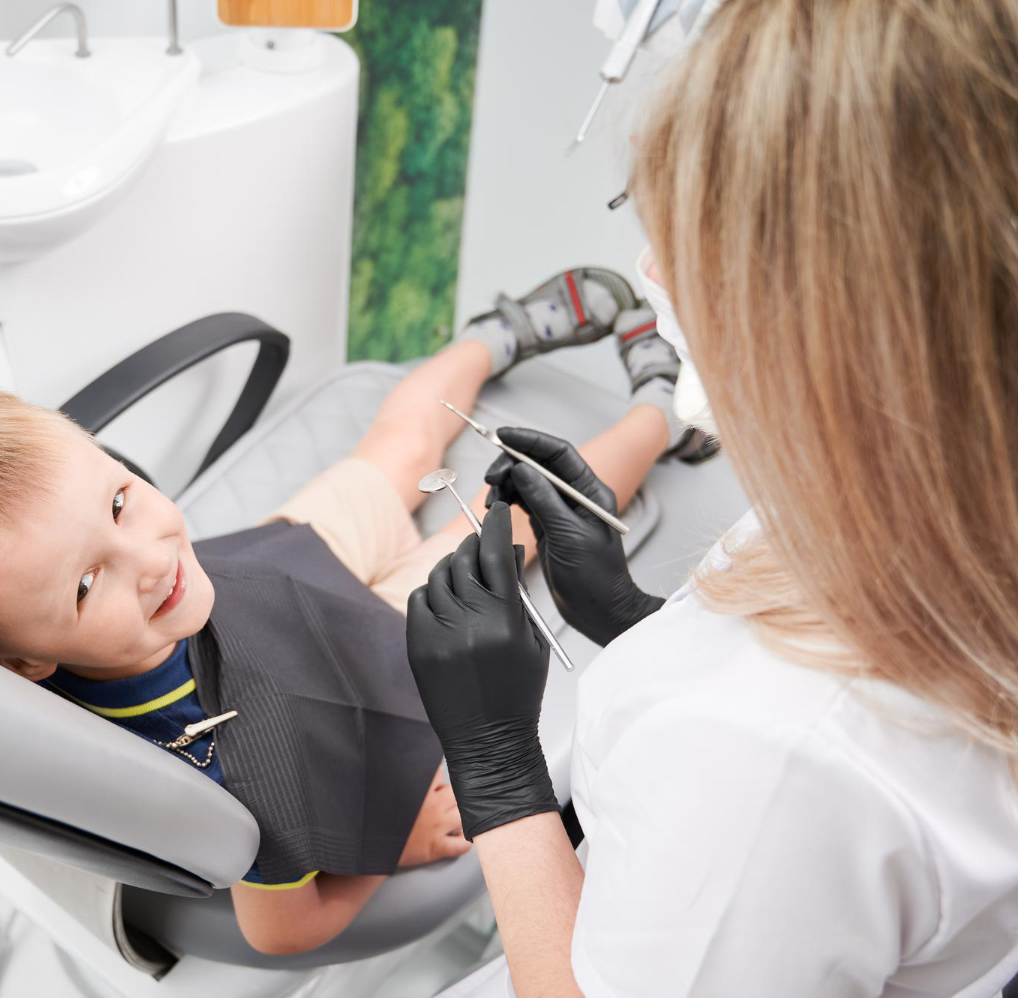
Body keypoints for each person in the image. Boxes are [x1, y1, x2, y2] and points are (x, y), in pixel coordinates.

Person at [0, 268, 694, 955]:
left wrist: (109, 564)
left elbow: (147, 561)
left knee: (400, 442)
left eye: (118, 501)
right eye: (85, 585)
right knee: (529, 516)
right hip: (384, 639)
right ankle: (667, 408)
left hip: (278, 565)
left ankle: (499, 334)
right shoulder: (222, 767)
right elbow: (280, 930)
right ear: (28, 662)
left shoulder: (164, 584)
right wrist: (402, 848)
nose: (151, 560)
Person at [407, 1, 1018, 994]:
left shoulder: (767, 761)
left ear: (821, 327)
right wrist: (626, 615)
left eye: (694, 241)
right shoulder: (943, 478)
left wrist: (499, 770)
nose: (649, 271)